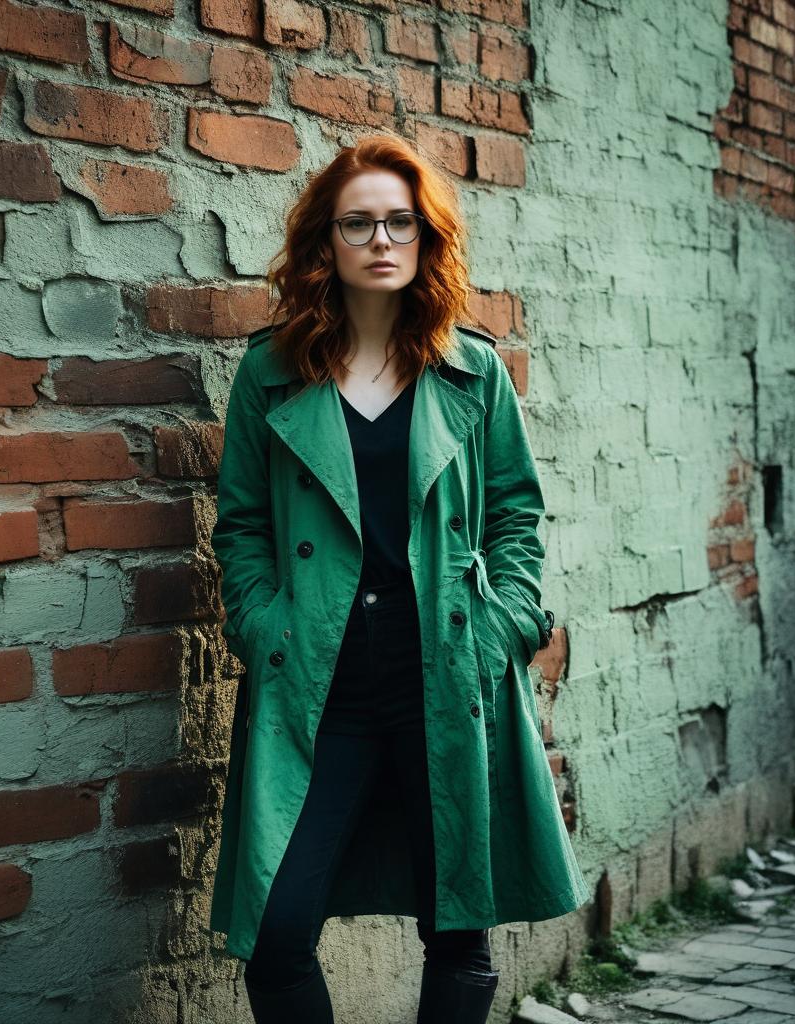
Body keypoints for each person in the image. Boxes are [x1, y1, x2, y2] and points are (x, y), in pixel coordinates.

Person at [208, 130, 587, 1024]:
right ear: (324, 244)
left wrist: (506, 627)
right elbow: (243, 525)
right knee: (276, 933)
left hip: (445, 679)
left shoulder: (473, 373)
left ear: (426, 239)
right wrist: (262, 622)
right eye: (358, 224)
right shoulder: (270, 375)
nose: (381, 241)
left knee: (458, 928)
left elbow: (515, 519)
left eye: (400, 223)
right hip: (318, 685)